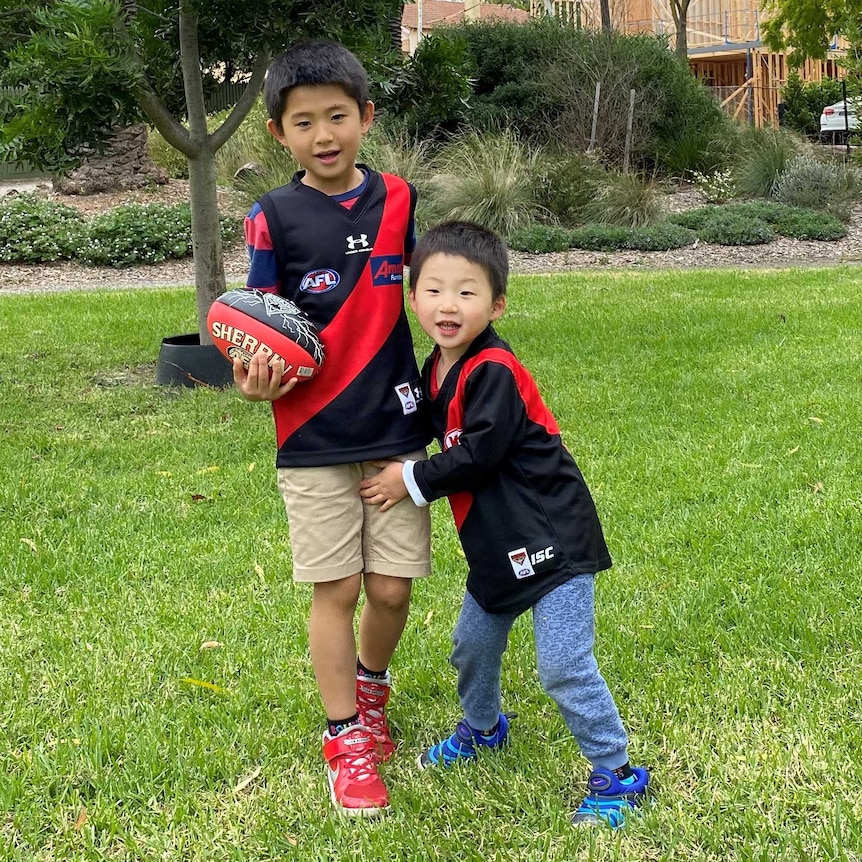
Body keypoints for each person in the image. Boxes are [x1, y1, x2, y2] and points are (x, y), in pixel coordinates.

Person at [359, 221, 650, 828]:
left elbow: (481, 452)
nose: (448, 305)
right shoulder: (435, 367)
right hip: (497, 546)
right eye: (434, 290)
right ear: (412, 299)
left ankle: (618, 773)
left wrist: (407, 482)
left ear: (496, 305)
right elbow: (407, 417)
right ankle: (483, 730)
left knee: (565, 664)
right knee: (472, 645)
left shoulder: (492, 369)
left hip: (554, 539)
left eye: (467, 293)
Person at [233, 40, 432, 818]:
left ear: (366, 118)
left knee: (390, 589)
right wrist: (255, 383)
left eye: (338, 117)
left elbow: (432, 297)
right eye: (304, 121)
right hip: (312, 436)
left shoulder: (402, 201)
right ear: (279, 133)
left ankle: (372, 688)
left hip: (396, 430)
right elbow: (257, 327)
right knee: (339, 586)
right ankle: (344, 735)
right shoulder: (271, 216)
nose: (324, 134)